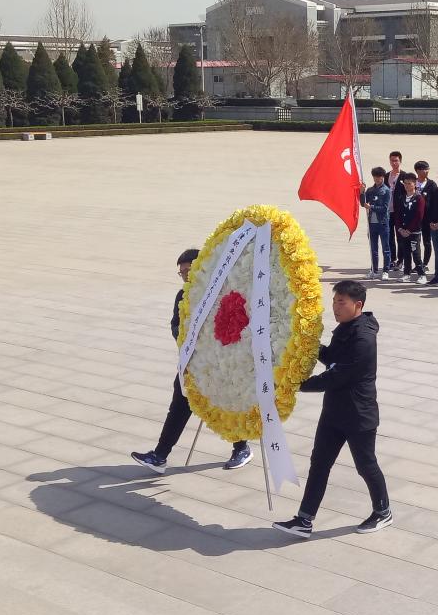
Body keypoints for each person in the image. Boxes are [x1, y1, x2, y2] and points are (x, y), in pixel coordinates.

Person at [273, 280, 391, 539]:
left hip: (358, 415)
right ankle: (304, 519)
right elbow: (332, 359)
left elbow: (337, 376)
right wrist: (310, 344)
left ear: (358, 305)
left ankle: (382, 511)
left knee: (365, 465)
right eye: (335, 301)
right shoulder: (345, 328)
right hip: (334, 412)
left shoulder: (363, 339)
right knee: (319, 463)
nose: (336, 307)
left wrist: (294, 384)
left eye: (341, 302)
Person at [131, 248, 252, 475]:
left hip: (221, 363)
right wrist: (185, 339)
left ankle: (241, 448)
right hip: (192, 363)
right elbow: (175, 325)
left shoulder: (221, 292)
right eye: (182, 273)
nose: (186, 276)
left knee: (228, 403)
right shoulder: (183, 296)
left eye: (188, 270)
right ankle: (160, 455)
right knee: (179, 404)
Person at [394, 173, 427, 284]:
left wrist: (409, 230)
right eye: (405, 183)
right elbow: (397, 214)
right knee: (406, 253)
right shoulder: (401, 198)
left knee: (416, 253)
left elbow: (419, 216)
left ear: (415, 184)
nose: (407, 186)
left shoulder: (419, 198)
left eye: (409, 183)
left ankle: (422, 274)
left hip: (414, 232)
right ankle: (406, 274)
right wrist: (400, 228)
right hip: (403, 232)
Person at [361, 167, 391, 280]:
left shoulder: (386, 190)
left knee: (385, 248)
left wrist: (372, 207)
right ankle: (374, 270)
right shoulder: (370, 190)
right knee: (373, 249)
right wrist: (361, 192)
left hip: (383, 223)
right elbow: (363, 203)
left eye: (379, 177)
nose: (377, 179)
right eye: (375, 177)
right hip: (371, 224)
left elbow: (384, 208)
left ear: (383, 177)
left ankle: (386, 271)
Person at [385, 151, 406, 270]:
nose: (394, 163)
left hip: (399, 212)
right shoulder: (386, 176)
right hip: (388, 212)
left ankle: (401, 260)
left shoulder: (404, 176)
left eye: (396, 160)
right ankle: (392, 259)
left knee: (400, 237)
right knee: (389, 237)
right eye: (392, 160)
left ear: (400, 161)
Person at [414, 161, 436, 274]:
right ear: (418, 171)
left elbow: (435, 202)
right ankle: (417, 264)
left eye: (428, 169)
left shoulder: (432, 184)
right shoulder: (412, 183)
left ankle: (425, 263)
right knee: (415, 242)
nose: (427, 171)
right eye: (424, 169)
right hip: (414, 219)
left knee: (427, 242)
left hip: (427, 219)